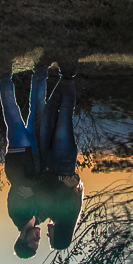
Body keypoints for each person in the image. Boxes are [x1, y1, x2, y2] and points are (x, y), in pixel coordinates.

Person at [0, 58, 49, 258]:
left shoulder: (17, 214)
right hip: (36, 153)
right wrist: (36, 186)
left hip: (19, 152)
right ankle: (41, 68)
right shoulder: (41, 216)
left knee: (11, 111)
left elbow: (20, 185)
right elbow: (41, 185)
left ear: (20, 238)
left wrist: (34, 187)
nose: (37, 239)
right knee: (38, 108)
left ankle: (4, 71)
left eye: (32, 242)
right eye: (38, 243)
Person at [37, 66, 84, 251]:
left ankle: (63, 76)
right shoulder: (69, 213)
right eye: (51, 237)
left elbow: (49, 188)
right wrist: (61, 185)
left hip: (46, 160)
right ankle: (69, 74)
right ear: (59, 234)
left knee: (49, 113)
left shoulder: (51, 214)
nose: (48, 234)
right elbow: (57, 188)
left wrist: (59, 186)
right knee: (65, 115)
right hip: (62, 161)